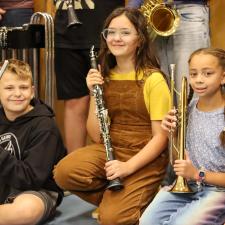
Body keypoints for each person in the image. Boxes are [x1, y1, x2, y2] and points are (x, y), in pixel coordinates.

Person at [53, 7, 171, 225]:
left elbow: (160, 139)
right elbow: (95, 135)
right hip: (112, 151)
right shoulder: (104, 76)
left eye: (125, 32)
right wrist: (92, 92)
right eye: (111, 32)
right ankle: (117, 201)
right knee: (63, 173)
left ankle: (142, 199)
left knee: (112, 220)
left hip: (145, 157)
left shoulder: (153, 80)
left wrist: (127, 167)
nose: (116, 38)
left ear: (140, 39)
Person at [139, 47, 225, 225]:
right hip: (190, 184)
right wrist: (172, 132)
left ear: (223, 77)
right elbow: (180, 157)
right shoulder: (190, 107)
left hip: (218, 189)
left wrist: (197, 174)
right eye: (193, 74)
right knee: (147, 221)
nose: (199, 80)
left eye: (207, 73)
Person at [0, 59, 66, 225]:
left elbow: (31, 178)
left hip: (35, 190)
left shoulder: (45, 126)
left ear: (32, 92)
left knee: (27, 210)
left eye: (23, 87)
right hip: (4, 184)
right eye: (9, 88)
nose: (17, 93)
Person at [54, 0, 125, 153]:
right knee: (74, 102)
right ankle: (74, 166)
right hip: (66, 31)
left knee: (111, 100)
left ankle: (112, 163)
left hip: (106, 30)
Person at [127, 0, 210, 92]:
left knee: (188, 86)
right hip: (154, 12)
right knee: (161, 87)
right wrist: (131, 9)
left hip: (188, 10)